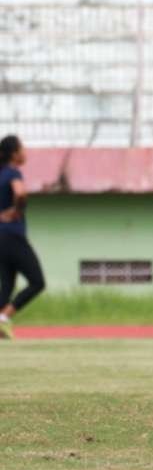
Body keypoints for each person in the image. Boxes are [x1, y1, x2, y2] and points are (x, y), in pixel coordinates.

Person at [0, 135, 46, 340]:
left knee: (7, 286)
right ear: (15, 154)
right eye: (23, 148)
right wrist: (17, 211)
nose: (25, 152)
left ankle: (1, 326)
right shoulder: (12, 172)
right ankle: (3, 318)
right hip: (12, 236)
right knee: (37, 281)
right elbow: (20, 193)